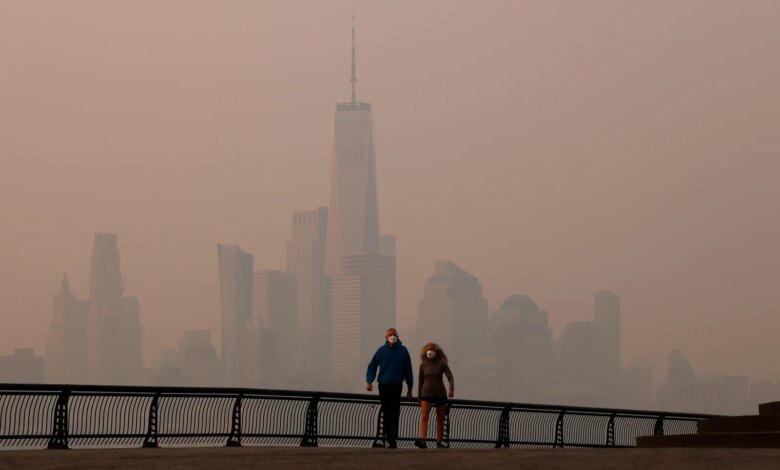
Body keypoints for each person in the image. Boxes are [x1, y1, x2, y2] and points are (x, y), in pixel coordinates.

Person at [366, 328, 414, 448]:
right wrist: (369, 381)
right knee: (387, 411)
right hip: (383, 385)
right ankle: (388, 438)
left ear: (397, 336)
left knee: (395, 411)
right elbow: (372, 366)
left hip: (397, 385)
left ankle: (392, 439)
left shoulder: (403, 351)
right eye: (390, 335)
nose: (392, 337)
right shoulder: (381, 351)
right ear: (386, 337)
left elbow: (408, 370)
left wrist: (410, 388)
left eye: (394, 335)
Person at [414, 343, 454, 449]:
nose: (429, 352)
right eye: (428, 350)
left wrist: (451, 388)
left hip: (440, 394)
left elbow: (450, 377)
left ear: (436, 352)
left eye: (431, 350)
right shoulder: (423, 365)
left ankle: (439, 442)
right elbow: (420, 382)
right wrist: (419, 398)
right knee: (424, 417)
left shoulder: (442, 364)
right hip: (426, 394)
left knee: (440, 419)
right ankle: (422, 439)